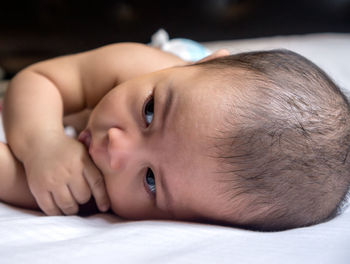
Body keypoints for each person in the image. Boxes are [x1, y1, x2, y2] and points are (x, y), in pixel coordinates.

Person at [1, 43, 349, 231]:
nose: (116, 149)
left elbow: (12, 179)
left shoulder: (121, 194)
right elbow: (42, 79)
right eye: (149, 112)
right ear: (202, 65)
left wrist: (39, 171)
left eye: (151, 180)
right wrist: (42, 142)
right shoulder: (142, 66)